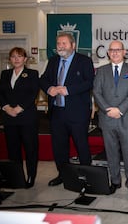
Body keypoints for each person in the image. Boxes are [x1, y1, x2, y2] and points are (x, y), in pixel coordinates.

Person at [40, 32, 95, 186]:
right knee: (59, 147)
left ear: (73, 45)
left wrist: (69, 90)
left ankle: (87, 176)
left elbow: (90, 82)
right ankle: (62, 175)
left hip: (77, 113)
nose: (61, 47)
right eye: (58, 44)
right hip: (57, 112)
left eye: (64, 43)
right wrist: (49, 88)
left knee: (81, 146)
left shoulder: (84, 61)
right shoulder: (52, 61)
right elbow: (43, 79)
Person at [93, 40, 128, 199]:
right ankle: (115, 181)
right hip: (107, 118)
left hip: (125, 117)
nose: (114, 52)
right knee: (111, 152)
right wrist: (108, 109)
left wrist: (119, 109)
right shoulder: (101, 71)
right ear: (108, 53)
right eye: (112, 50)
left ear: (124, 52)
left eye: (118, 50)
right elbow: (97, 92)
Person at [0, 47, 40, 188]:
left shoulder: (32, 73)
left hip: (26, 117)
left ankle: (31, 177)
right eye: (13, 56)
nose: (16, 59)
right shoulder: (5, 74)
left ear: (25, 59)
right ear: (10, 59)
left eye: (19, 56)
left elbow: (33, 93)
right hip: (10, 118)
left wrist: (19, 108)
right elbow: (0, 94)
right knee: (13, 150)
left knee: (30, 149)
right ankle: (17, 177)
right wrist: (7, 107)